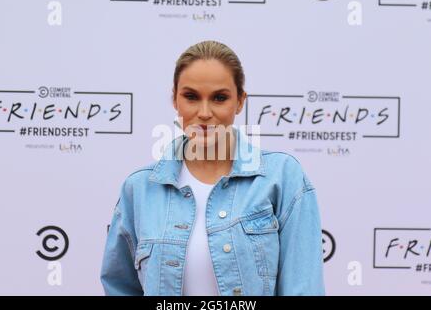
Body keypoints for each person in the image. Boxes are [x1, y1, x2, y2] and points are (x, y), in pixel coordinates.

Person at [100, 40, 325, 296]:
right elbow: (119, 287)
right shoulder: (139, 189)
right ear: (174, 98)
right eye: (191, 97)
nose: (204, 112)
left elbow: (304, 289)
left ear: (240, 101)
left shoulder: (283, 177)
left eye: (219, 98)